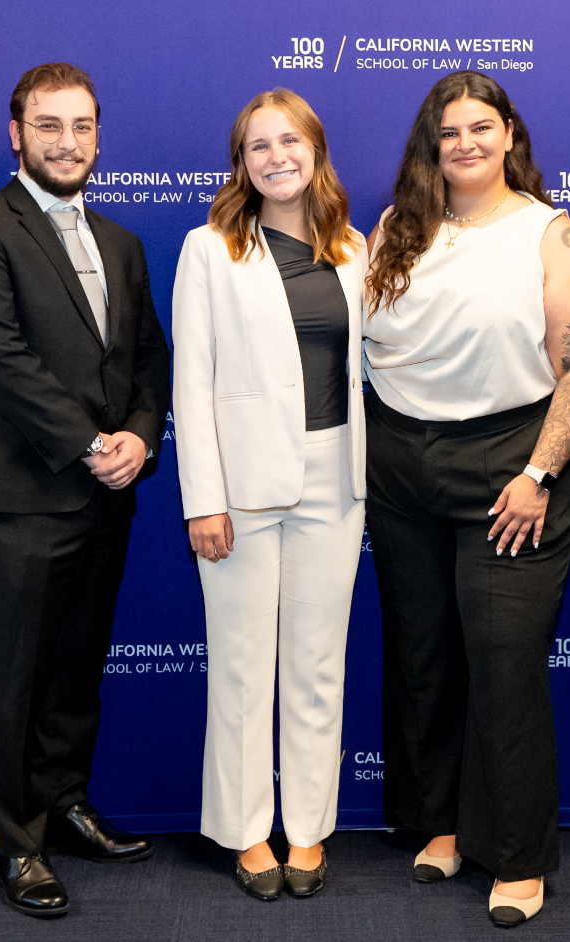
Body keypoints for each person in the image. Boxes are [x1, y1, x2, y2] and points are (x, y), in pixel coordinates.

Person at [363, 70, 570, 928]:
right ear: (431, 146)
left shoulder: (553, 234)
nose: (464, 144)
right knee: (424, 659)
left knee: (504, 663)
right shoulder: (396, 228)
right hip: (398, 468)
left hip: (512, 464)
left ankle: (518, 855)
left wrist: (539, 474)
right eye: (448, 132)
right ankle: (442, 825)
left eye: (480, 128)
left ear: (509, 136)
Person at [0, 62, 173, 919]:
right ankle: (17, 841)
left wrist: (140, 440)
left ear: (99, 136)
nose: (66, 142)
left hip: (108, 494)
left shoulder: (123, 243)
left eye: (80, 127)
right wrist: (86, 444)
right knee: (12, 678)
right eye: (48, 126)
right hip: (17, 499)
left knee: (76, 670)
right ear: (17, 134)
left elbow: (149, 358)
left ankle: (66, 803)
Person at [172, 89, 368, 903]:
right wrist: (202, 500)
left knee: (320, 666)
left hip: (338, 478)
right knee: (246, 668)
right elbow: (193, 378)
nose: (278, 157)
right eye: (260, 146)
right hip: (241, 490)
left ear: (316, 151)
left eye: (292, 142)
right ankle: (248, 832)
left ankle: (310, 829)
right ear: (242, 163)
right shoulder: (208, 249)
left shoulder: (355, 249)